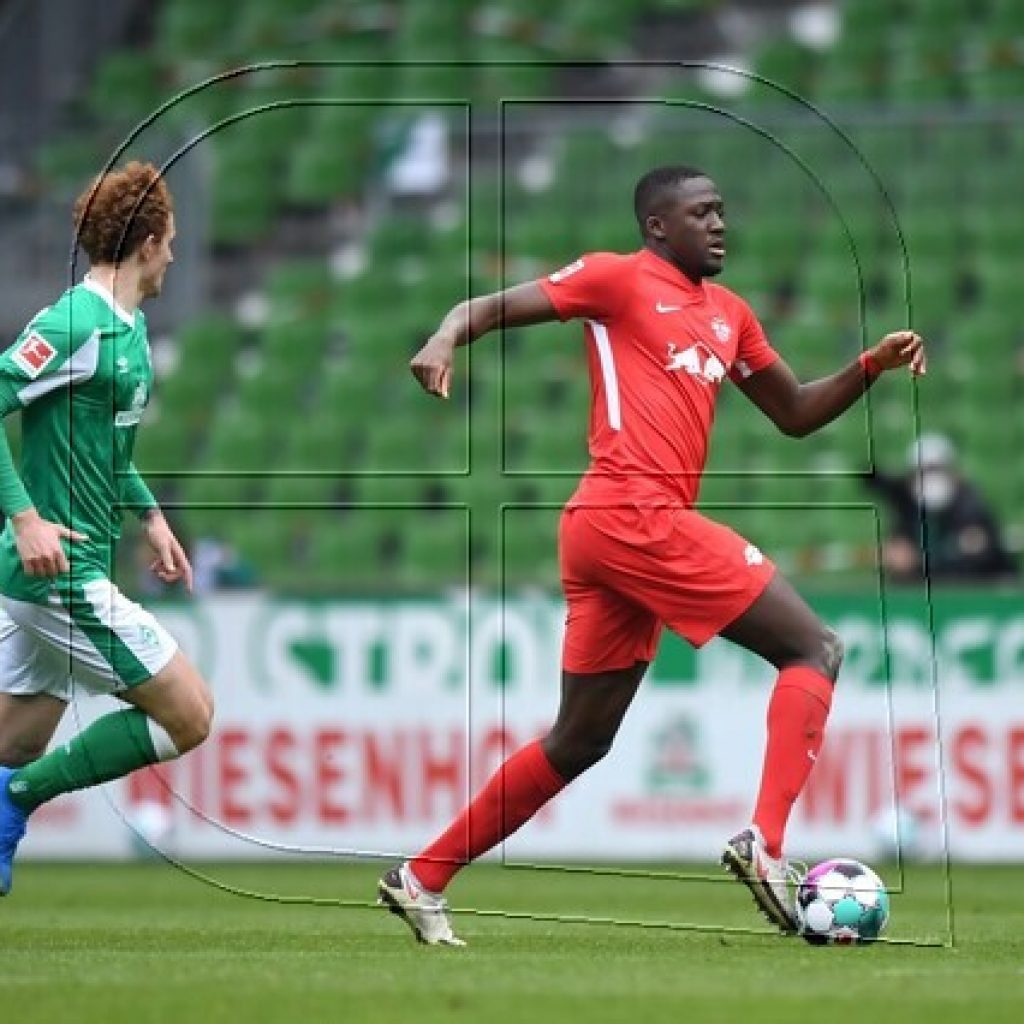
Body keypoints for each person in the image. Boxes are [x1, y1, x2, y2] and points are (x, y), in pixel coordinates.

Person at [377, 165, 926, 946]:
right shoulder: (615, 280)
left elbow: (796, 412)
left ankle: (421, 877)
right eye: (701, 212)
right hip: (633, 510)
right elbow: (487, 307)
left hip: (612, 529)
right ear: (658, 226)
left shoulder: (730, 315)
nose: (719, 223)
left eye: (723, 210)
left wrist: (870, 365)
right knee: (815, 646)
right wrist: (442, 337)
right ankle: (766, 845)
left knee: (579, 740)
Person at [0, 161, 213, 894]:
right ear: (148, 243)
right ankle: (16, 802)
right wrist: (25, 517)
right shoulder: (73, 323)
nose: (175, 256)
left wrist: (150, 516)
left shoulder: (129, 330)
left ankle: (10, 790)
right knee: (190, 713)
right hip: (57, 570)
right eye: (172, 241)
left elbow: (108, 451)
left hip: (68, 569)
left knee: (16, 740)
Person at [864, 433, 1017, 583]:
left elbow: (982, 560)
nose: (931, 480)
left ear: (954, 473)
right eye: (923, 472)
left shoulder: (971, 507)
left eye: (936, 470)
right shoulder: (908, 510)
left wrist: (922, 560)